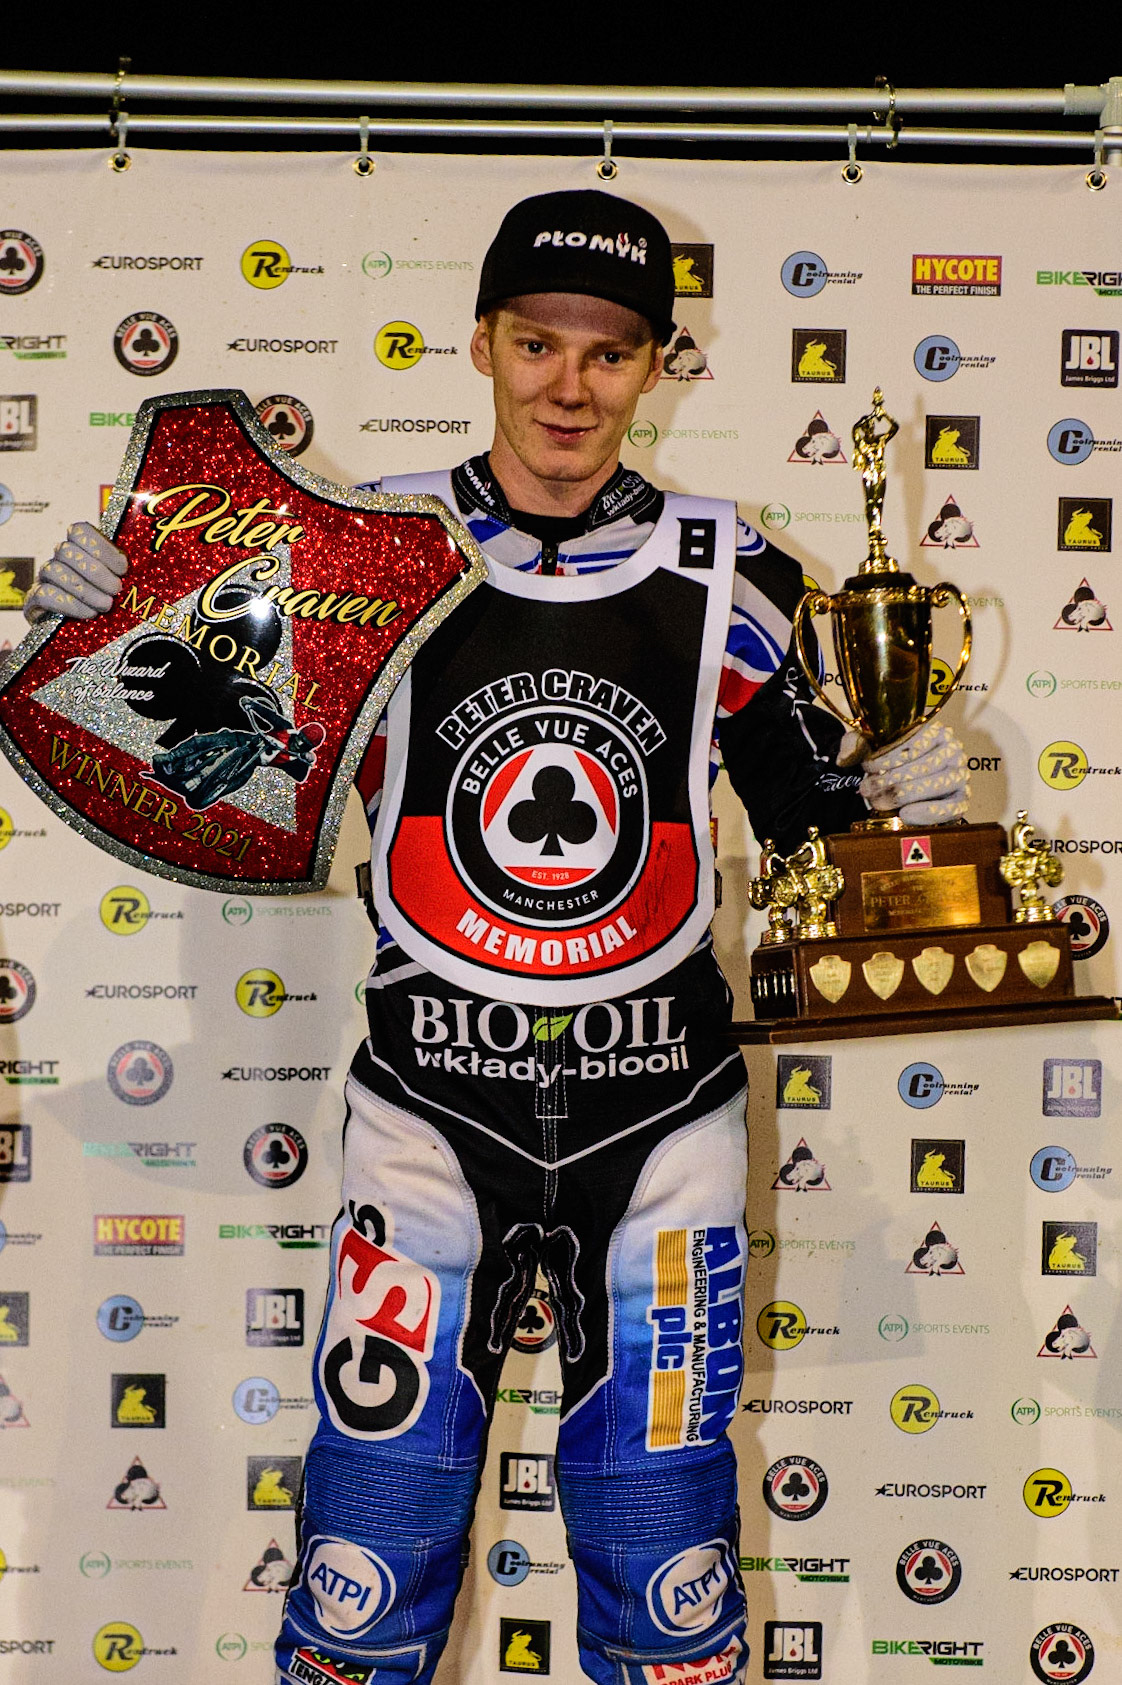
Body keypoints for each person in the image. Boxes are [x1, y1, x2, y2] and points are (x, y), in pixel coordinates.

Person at [28, 189, 968, 1685]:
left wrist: (889, 800)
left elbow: (807, 829)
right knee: (366, 1559)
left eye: (609, 351)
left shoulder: (735, 568)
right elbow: (181, 733)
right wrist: (91, 624)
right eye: (536, 342)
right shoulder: (369, 549)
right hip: (429, 1113)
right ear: (481, 340)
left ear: (658, 364)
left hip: (659, 1116)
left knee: (663, 1562)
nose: (568, 386)